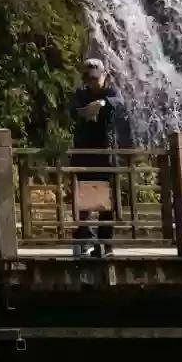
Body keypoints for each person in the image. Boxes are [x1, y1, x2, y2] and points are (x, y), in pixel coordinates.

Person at [69, 56, 123, 259]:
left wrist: (102, 103)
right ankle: (84, 240)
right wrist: (84, 112)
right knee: (83, 199)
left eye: (95, 78)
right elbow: (72, 112)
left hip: (106, 152)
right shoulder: (80, 94)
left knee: (107, 200)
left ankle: (105, 244)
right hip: (83, 151)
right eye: (88, 79)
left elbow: (120, 104)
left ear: (104, 76)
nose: (91, 82)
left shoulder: (111, 92)